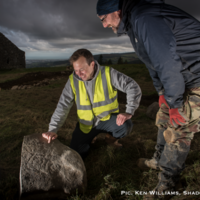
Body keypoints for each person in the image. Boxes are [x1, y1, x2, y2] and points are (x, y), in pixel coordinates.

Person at [96, 0, 200, 197]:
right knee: (163, 115)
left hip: (197, 75)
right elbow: (151, 61)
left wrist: (176, 103)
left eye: (104, 19)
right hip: (185, 75)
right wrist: (162, 92)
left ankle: (168, 185)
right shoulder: (135, 22)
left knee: (179, 125)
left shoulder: (144, 18)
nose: (103, 25)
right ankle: (159, 160)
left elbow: (166, 62)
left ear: (117, 11)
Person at [42, 49, 141, 160]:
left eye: (82, 70)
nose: (79, 74)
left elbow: (132, 86)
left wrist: (129, 111)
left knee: (125, 125)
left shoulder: (108, 73)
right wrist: (52, 129)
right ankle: (90, 138)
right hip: (85, 125)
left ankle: (110, 140)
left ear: (92, 64)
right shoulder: (72, 81)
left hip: (107, 119)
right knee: (77, 155)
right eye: (76, 70)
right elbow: (62, 106)